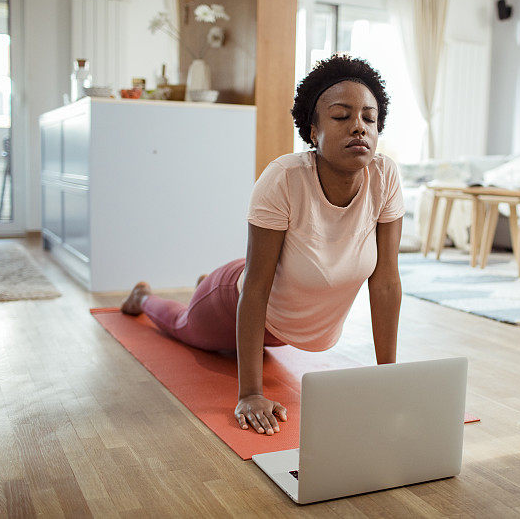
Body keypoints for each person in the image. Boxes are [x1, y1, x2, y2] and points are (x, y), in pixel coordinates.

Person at [120, 54, 405, 437]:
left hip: (281, 321)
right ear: (314, 130)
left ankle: (203, 283)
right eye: (341, 117)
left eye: (369, 119)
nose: (359, 127)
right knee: (181, 325)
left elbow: (385, 281)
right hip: (237, 298)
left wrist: (390, 381)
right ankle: (144, 299)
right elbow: (255, 287)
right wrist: (251, 393)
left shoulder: (384, 177)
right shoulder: (284, 178)